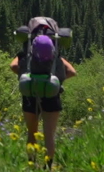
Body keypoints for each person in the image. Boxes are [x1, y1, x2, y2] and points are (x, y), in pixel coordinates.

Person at [10, 35, 77, 168]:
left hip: (30, 96)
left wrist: (22, 73)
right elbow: (72, 72)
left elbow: (13, 66)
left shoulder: (25, 57)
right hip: (52, 97)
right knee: (49, 135)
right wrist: (58, 81)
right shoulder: (57, 60)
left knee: (31, 133)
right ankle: (48, 166)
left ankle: (31, 164)